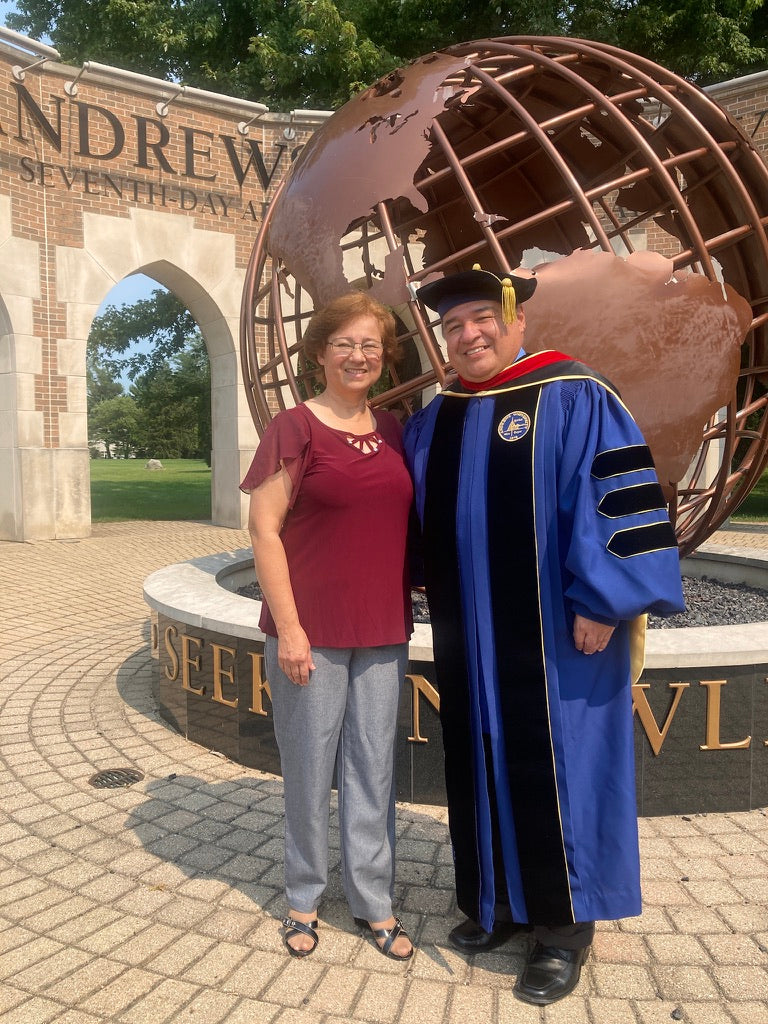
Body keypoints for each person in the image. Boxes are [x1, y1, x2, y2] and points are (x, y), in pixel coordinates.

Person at [403, 266, 685, 1004]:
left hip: (562, 633)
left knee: (563, 770)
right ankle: (495, 902)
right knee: (481, 758)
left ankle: (562, 931)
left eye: (480, 319)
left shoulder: (577, 395)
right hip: (471, 635)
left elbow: (622, 497)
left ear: (516, 320)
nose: (468, 335)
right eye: (453, 325)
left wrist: (603, 600)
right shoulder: (441, 416)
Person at [241, 292, 414, 962]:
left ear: (385, 355)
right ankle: (304, 898)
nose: (358, 354)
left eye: (370, 343)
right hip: (308, 631)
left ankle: (374, 902)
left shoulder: (395, 429)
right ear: (320, 353)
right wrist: (289, 628)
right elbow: (263, 530)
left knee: (373, 770)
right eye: (343, 342)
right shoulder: (295, 428)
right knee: (310, 770)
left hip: (382, 629)